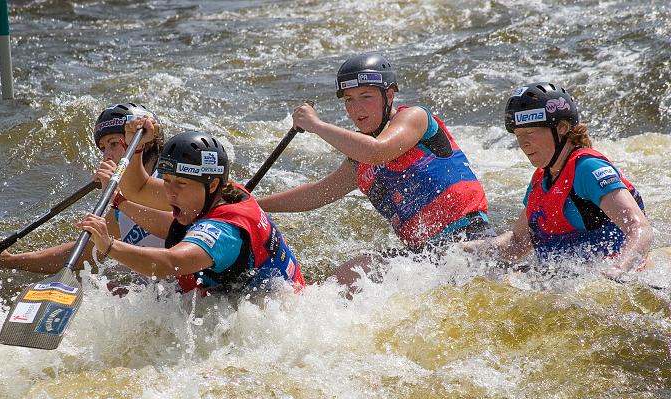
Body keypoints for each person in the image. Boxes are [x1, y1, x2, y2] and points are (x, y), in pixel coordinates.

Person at [256, 52, 492, 288]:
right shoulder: (360, 161)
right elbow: (318, 193)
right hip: (424, 258)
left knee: (355, 271)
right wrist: (253, 204)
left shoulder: (415, 118)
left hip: (469, 240)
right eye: (349, 99)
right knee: (346, 276)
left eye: (366, 96)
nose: (357, 108)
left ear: (388, 95)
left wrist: (316, 125)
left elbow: (377, 151)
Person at [78, 123, 306, 295]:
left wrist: (109, 245)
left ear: (212, 185)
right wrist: (136, 148)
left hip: (271, 317)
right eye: (167, 180)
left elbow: (169, 263)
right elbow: (139, 188)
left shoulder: (223, 232)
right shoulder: (216, 191)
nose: (170, 192)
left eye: (180, 183)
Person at [464, 82, 652, 277]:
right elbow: (518, 243)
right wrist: (460, 251)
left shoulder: (588, 169)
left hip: (611, 284)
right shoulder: (541, 179)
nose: (523, 143)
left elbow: (639, 228)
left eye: (529, 132)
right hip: (565, 285)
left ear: (561, 127)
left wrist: (618, 270)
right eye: (518, 135)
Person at [0, 102, 166, 273]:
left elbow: (171, 227)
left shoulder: (172, 181)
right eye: (103, 148)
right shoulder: (120, 210)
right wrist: (11, 261)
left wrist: (117, 198)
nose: (106, 156)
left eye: (114, 144)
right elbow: (84, 252)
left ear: (145, 142)